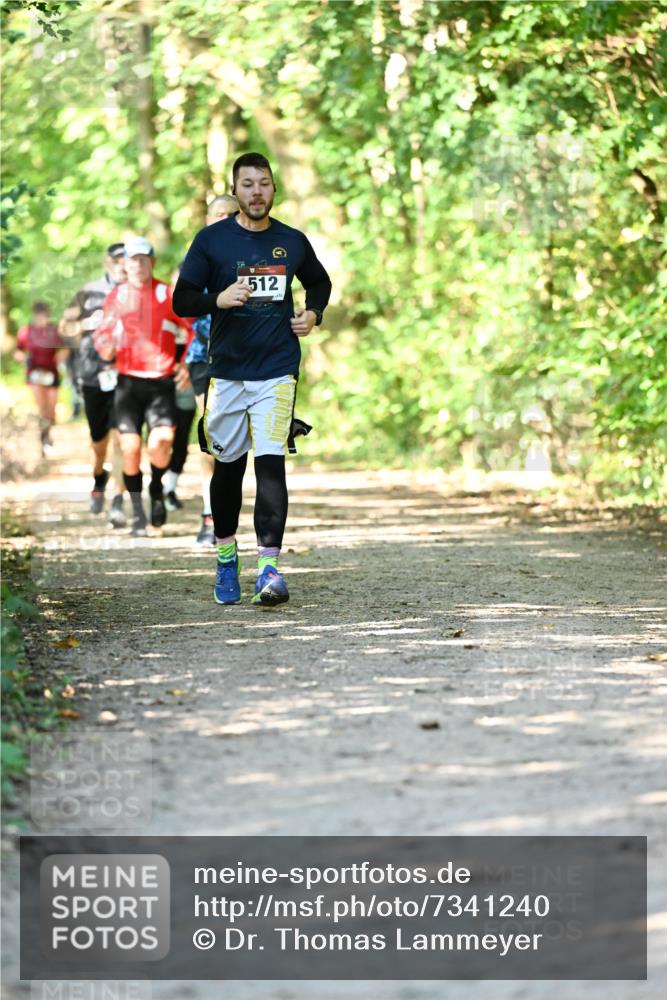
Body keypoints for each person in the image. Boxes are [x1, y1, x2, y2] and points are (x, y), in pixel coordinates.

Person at [173, 151, 332, 606]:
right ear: (235, 190)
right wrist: (217, 298)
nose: (256, 192)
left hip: (277, 369)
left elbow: (319, 283)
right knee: (228, 468)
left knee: (270, 462)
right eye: (247, 184)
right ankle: (226, 557)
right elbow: (182, 300)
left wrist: (313, 314)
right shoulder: (212, 241)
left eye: (264, 183)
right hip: (227, 372)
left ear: (273, 188)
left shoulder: (292, 241)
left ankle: (269, 567)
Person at [94, 237, 193, 536]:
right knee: (130, 448)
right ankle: (138, 512)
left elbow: (192, 331)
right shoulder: (117, 296)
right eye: (131, 260)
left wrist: (187, 364)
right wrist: (105, 348)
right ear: (124, 264)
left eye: (142, 259)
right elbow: (102, 335)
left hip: (161, 382)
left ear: (152, 262)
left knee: (160, 443)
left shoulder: (167, 294)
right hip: (127, 383)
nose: (136, 265)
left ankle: (157, 488)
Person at [184, 194, 240, 545]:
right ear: (208, 219)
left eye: (232, 215)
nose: (225, 220)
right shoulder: (196, 258)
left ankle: (227, 511)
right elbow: (182, 308)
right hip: (205, 359)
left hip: (245, 359)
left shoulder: (253, 254)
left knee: (237, 446)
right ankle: (210, 515)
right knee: (212, 439)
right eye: (218, 215)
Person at [59, 243, 128, 525]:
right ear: (106, 263)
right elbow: (64, 328)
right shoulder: (88, 292)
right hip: (93, 372)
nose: (122, 265)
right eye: (117, 260)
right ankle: (99, 479)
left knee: (124, 438)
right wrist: (88, 324)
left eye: (128, 260)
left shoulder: (138, 291)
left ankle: (119, 501)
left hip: (127, 372)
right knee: (99, 440)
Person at [14, 303, 67, 456]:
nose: (42, 318)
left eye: (44, 315)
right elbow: (18, 351)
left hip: (51, 373)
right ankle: (43, 438)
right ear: (35, 315)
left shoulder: (54, 330)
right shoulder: (26, 332)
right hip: (35, 374)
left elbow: (64, 348)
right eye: (39, 315)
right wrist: (24, 359)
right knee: (42, 407)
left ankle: (48, 431)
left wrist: (60, 357)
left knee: (51, 410)